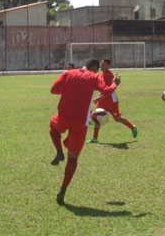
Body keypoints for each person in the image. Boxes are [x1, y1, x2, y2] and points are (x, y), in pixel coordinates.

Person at [49, 59, 121, 205]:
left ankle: (58, 151)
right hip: (81, 122)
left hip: (64, 116)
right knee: (73, 158)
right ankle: (63, 189)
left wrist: (70, 91)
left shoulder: (68, 73)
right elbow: (106, 91)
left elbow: (53, 90)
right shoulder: (94, 77)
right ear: (93, 68)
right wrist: (115, 83)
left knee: (53, 126)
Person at [88, 59, 137, 143]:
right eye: (101, 64)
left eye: (104, 65)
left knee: (117, 118)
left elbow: (108, 90)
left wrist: (98, 98)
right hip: (103, 99)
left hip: (111, 100)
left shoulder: (109, 75)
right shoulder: (101, 74)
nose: (101, 66)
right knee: (96, 116)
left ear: (108, 66)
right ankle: (94, 138)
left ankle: (132, 127)